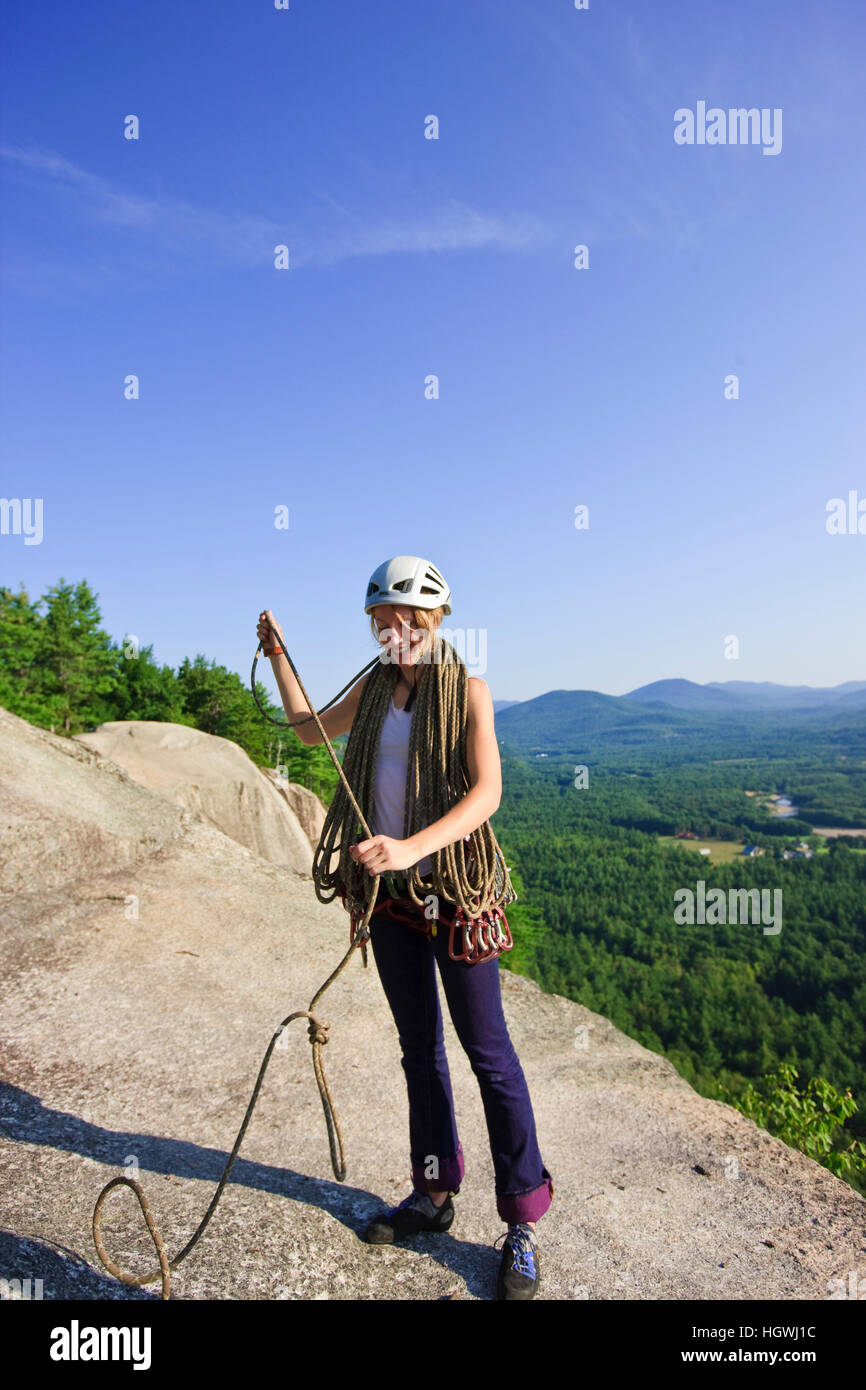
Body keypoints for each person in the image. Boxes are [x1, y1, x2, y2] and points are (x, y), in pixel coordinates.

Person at [257, 555, 553, 1299]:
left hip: (453, 892)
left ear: (435, 622)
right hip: (390, 901)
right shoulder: (374, 691)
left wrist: (414, 846)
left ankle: (520, 1224)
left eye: (408, 621)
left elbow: (487, 793)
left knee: (489, 1055)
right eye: (383, 622)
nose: (395, 633)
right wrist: (280, 660)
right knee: (418, 1050)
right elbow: (305, 731)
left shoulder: (468, 693)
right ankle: (433, 1193)